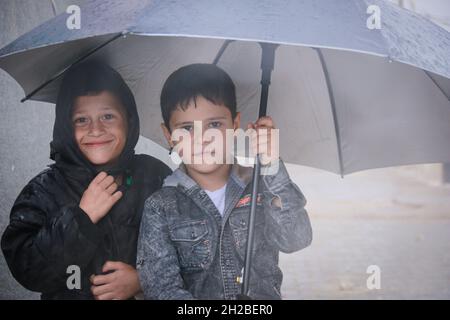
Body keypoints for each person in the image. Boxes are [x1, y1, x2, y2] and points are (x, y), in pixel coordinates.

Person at [136, 63, 312, 299]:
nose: (202, 139)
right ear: (169, 135)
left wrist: (271, 165)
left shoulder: (261, 187)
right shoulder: (161, 207)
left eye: (215, 124)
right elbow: (162, 290)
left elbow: (295, 239)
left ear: (235, 124)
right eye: (187, 128)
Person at [1, 61, 171, 300]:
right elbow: (28, 269)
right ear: (65, 127)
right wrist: (81, 218)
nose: (95, 129)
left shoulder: (154, 175)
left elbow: (189, 249)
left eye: (108, 116)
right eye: (82, 120)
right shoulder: (43, 191)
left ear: (129, 120)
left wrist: (144, 280)